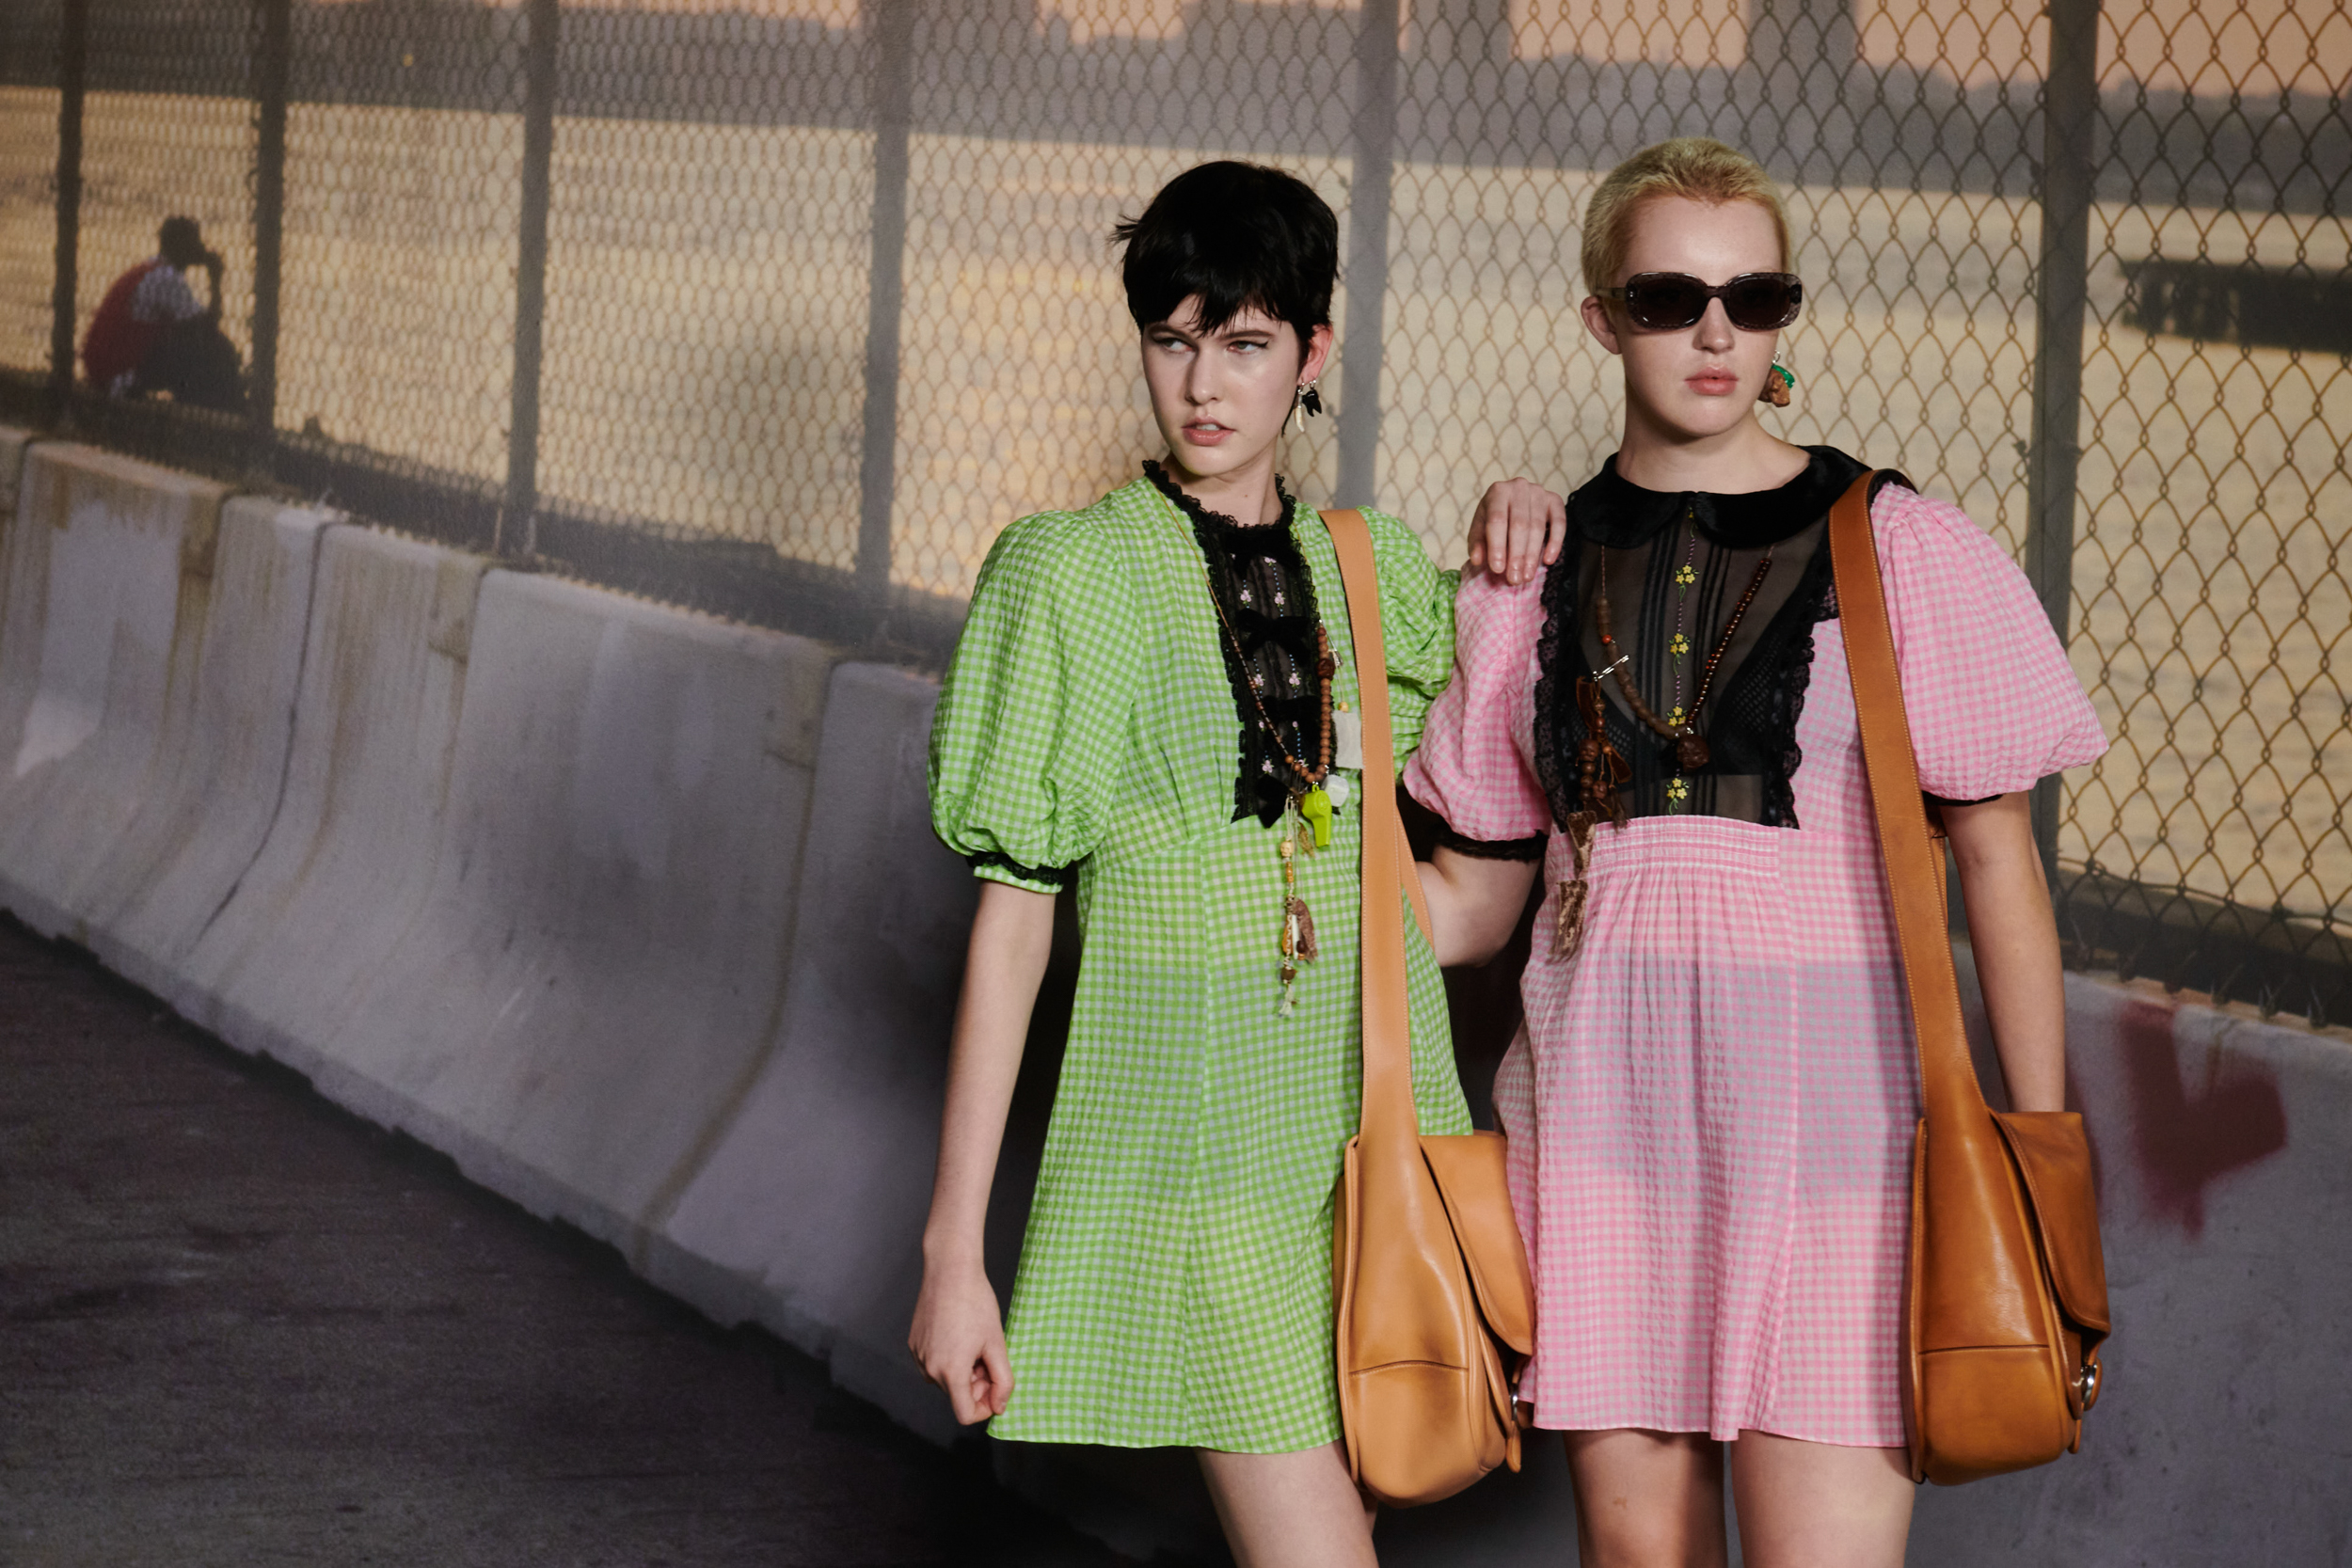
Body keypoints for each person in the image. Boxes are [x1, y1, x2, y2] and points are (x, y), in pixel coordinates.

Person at [1407, 137, 2107, 1568]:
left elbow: (2000, 870)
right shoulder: (1529, 575)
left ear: (1785, 316)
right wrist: (1233, 882)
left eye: (1755, 297)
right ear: (1602, 318)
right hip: (1601, 1128)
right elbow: (1473, 903)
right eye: (1669, 298)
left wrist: (2042, 1163)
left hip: (1839, 1144)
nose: (1716, 332)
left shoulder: (1897, 547)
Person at [909, 160, 1551, 1567]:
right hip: (1196, 1153)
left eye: (1246, 343)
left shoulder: (1371, 572)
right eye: (1173, 338)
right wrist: (954, 1252)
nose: (1202, 384)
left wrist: (1517, 531)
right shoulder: (1069, 573)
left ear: (1311, 354)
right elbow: (1013, 924)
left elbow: (1473, 836)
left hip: (1365, 1143)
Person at [81, 216, 245, 413]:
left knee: (199, 343)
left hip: (105, 367)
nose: (201, 247)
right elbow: (207, 328)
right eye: (195, 242)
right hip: (118, 374)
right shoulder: (166, 277)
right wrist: (216, 280)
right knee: (215, 348)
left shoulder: (150, 269)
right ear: (181, 246)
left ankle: (218, 408)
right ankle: (222, 411)